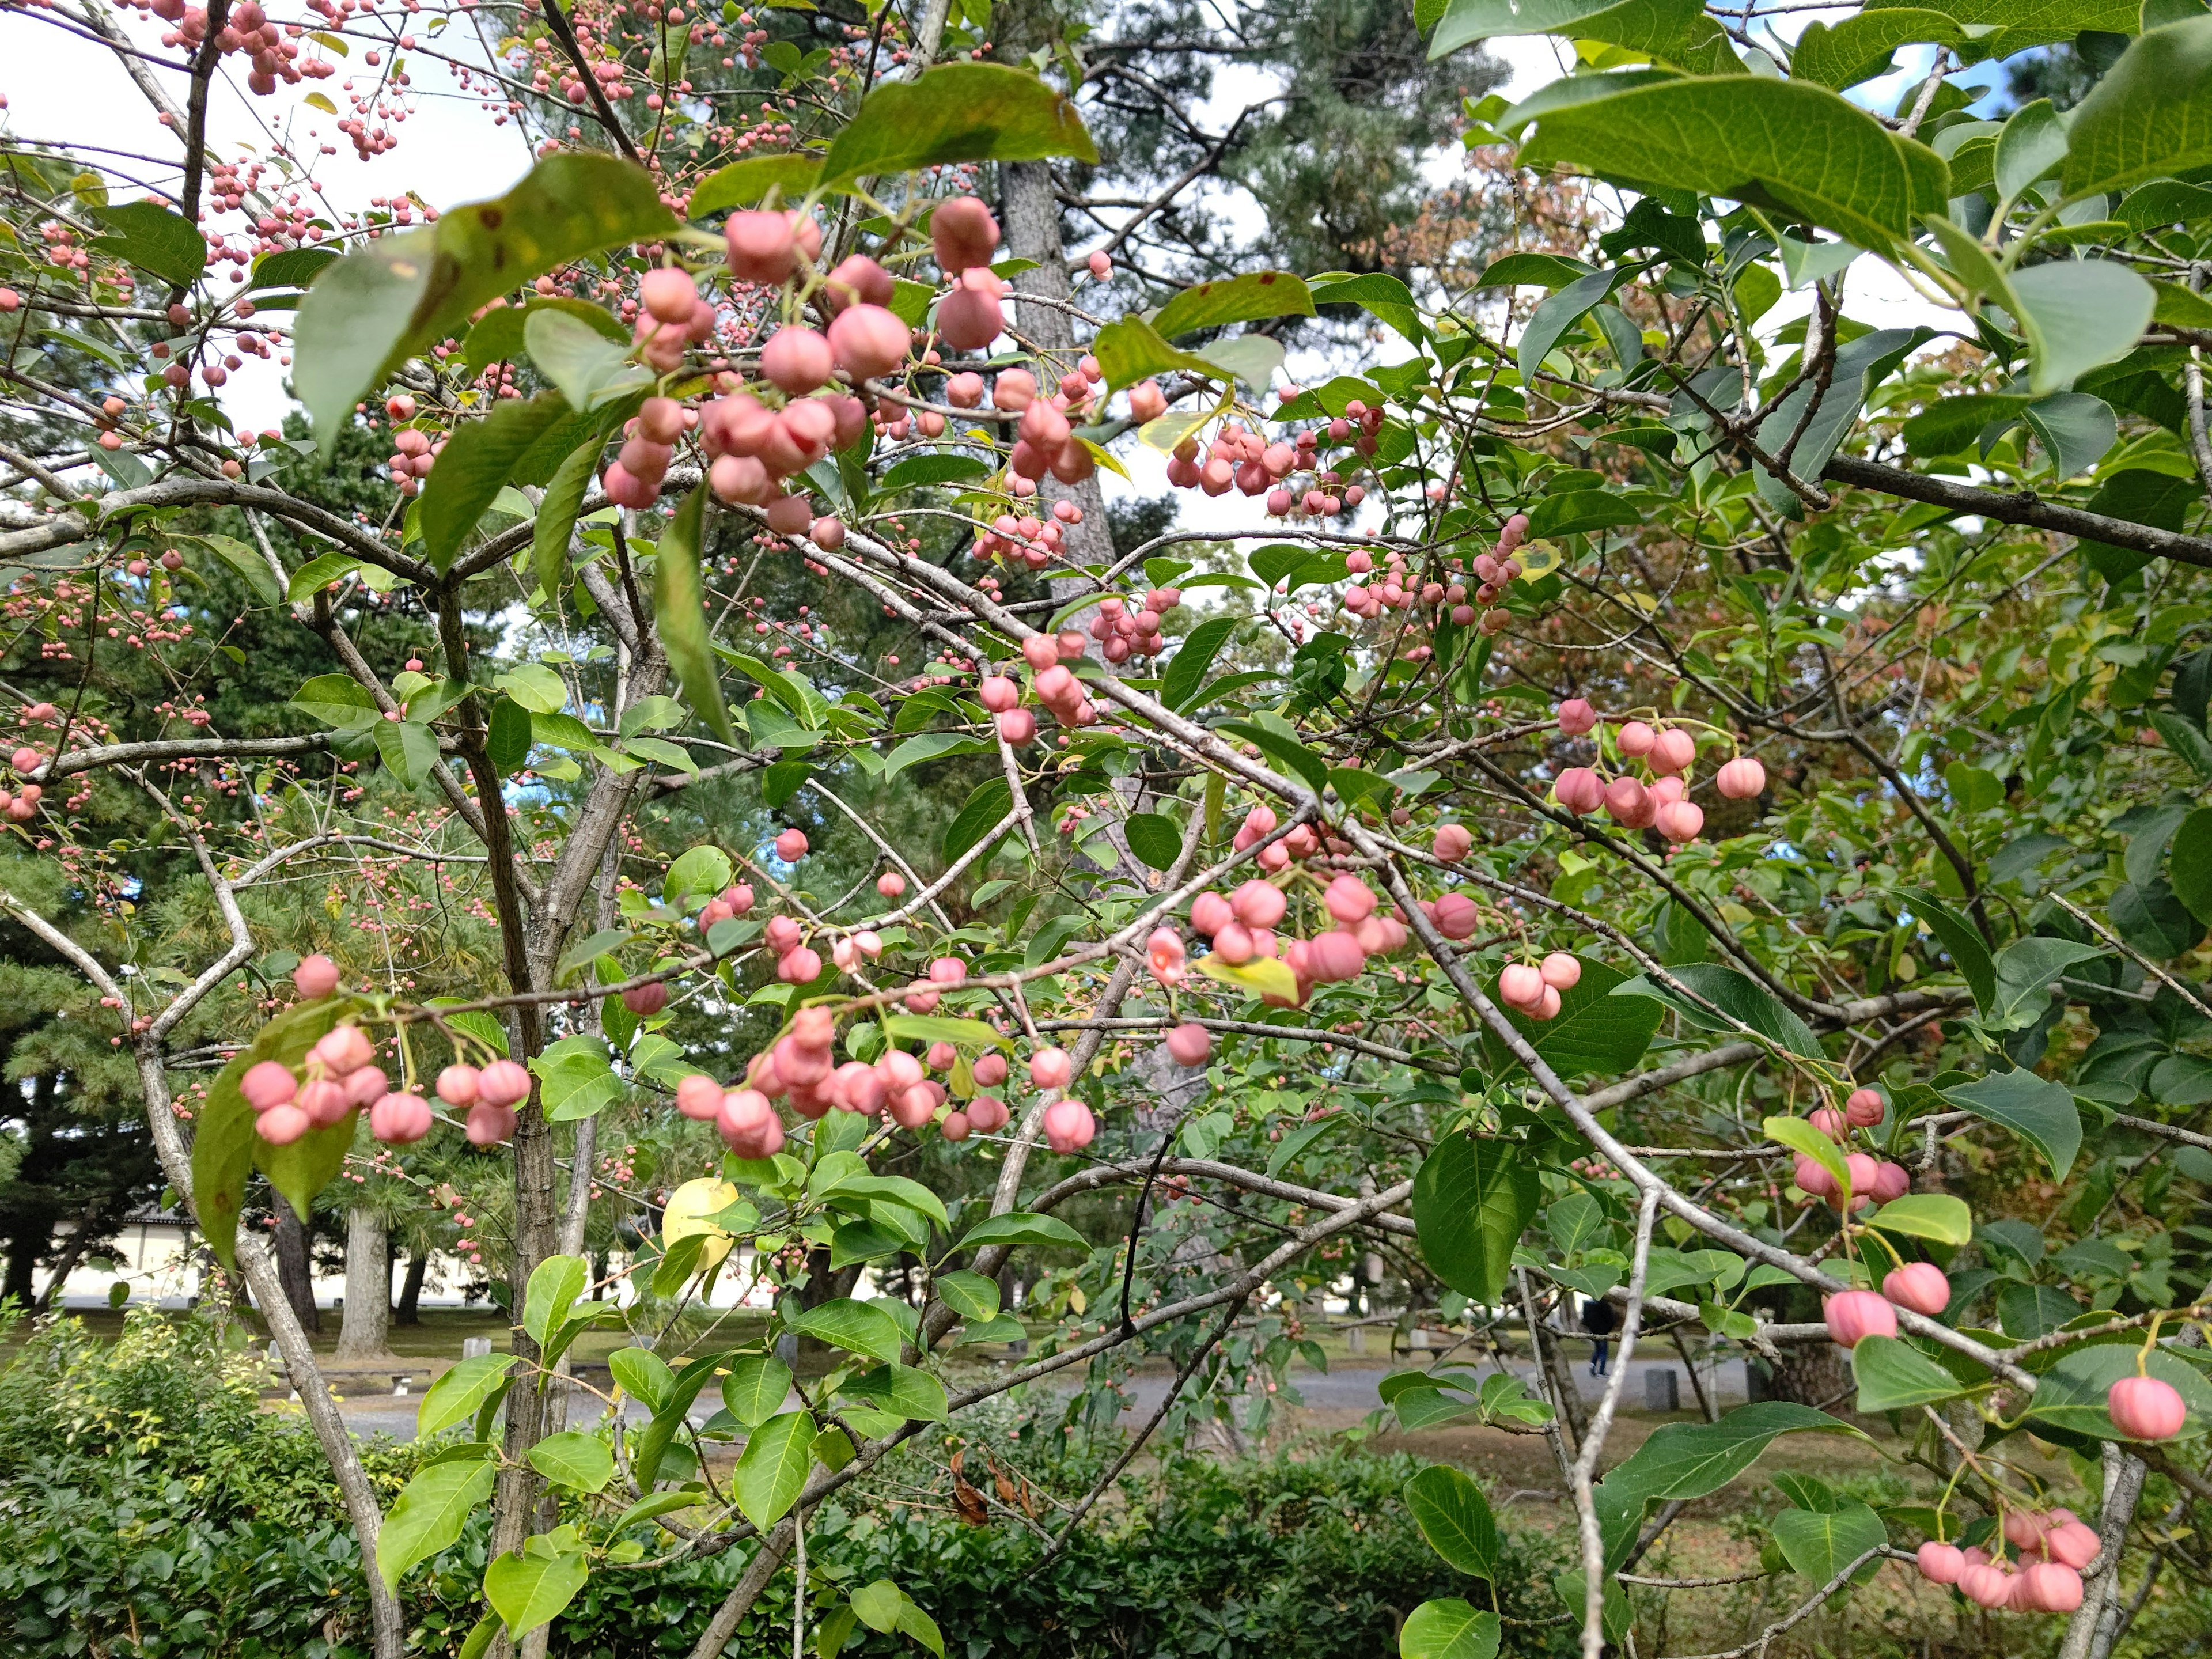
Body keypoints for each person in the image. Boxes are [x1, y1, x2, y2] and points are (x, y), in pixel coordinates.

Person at [1582, 1294, 1619, 1376]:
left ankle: (1592, 1366)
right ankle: (1601, 1371)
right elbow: (1611, 1319)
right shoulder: (1605, 1306)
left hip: (1594, 1331)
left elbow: (1585, 1320)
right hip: (1603, 1332)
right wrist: (1607, 1329)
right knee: (1603, 1352)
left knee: (1598, 1350)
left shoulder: (1589, 1306)